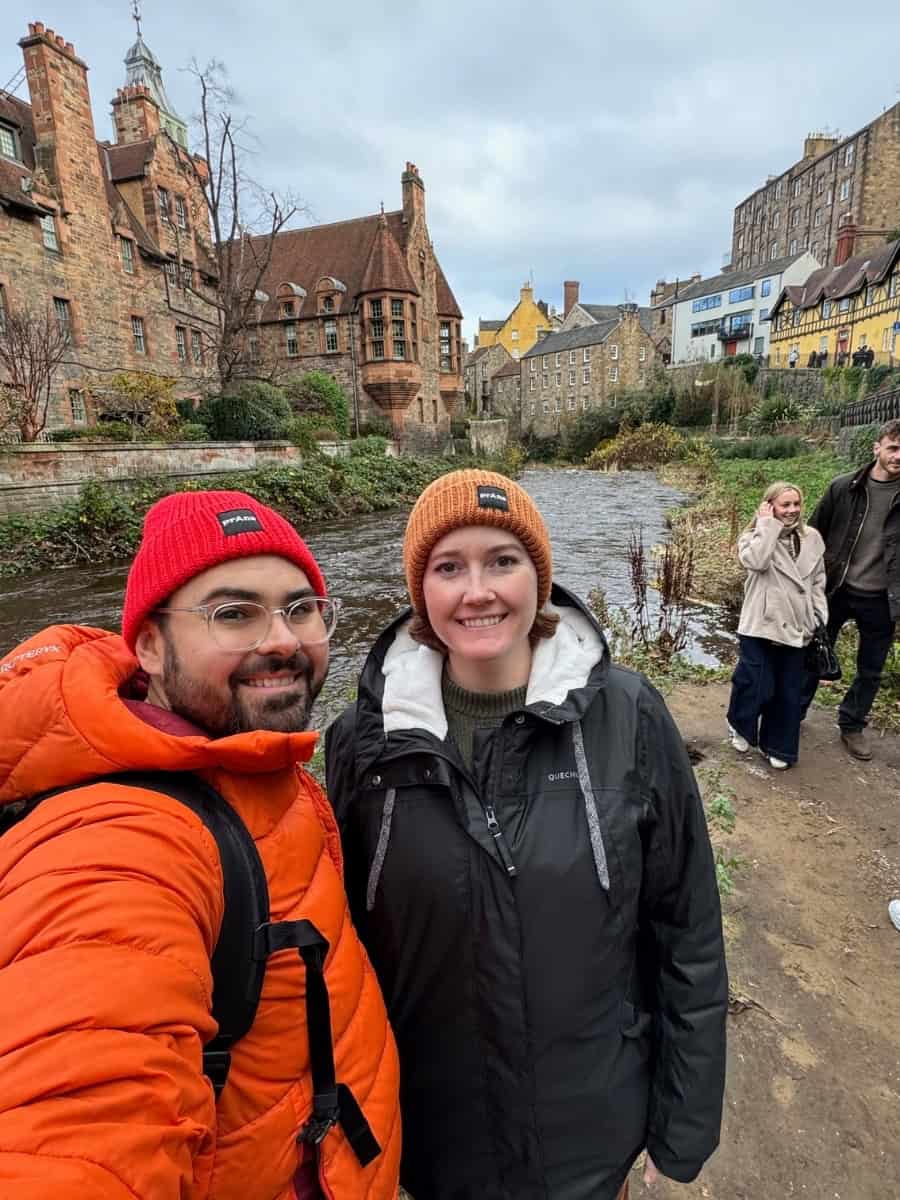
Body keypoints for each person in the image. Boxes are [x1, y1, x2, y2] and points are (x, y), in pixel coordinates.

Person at [326, 469, 728, 1200]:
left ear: (538, 580)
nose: (476, 591)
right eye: (449, 567)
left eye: (502, 562)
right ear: (422, 593)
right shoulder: (363, 744)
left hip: (591, 1136)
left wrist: (684, 1125)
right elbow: (343, 956)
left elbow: (687, 933)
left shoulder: (628, 717)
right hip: (432, 1142)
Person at [0, 490, 400, 1199]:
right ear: (149, 645)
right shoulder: (121, 839)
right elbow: (77, 1135)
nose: (281, 638)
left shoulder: (255, 765)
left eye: (301, 607)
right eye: (233, 613)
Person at [800, 419, 900, 760]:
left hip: (883, 597)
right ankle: (794, 712)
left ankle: (852, 724)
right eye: (893, 448)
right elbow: (812, 535)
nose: (898, 457)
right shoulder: (843, 488)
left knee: (870, 669)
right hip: (837, 589)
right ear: (877, 447)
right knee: (813, 654)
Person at [727, 481, 827, 769]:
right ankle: (740, 724)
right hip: (760, 625)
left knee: (787, 690)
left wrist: (818, 615)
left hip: (798, 627)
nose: (792, 510)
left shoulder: (812, 538)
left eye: (796, 504)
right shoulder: (752, 537)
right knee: (756, 684)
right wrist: (766, 526)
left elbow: (818, 581)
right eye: (785, 505)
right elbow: (756, 562)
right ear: (770, 506)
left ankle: (778, 746)